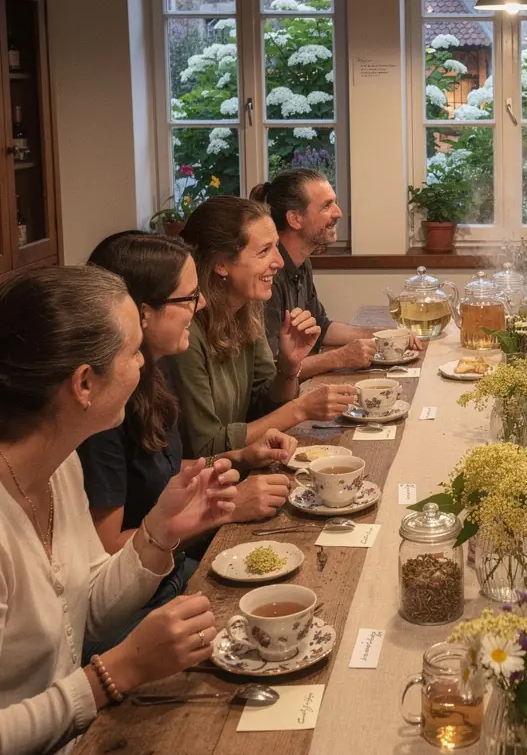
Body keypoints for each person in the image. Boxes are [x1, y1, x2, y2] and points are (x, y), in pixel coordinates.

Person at [0, 266, 238, 755]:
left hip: (74, 750)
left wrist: (159, 531)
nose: (144, 364)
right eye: (133, 352)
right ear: (84, 384)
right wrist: (115, 674)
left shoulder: (59, 467)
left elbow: (85, 611)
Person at [80, 232, 299, 597]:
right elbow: (106, 552)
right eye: (188, 297)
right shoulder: (102, 411)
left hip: (176, 569)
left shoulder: (153, 374)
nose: (200, 306)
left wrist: (240, 456)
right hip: (142, 596)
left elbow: (159, 471)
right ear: (142, 314)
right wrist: (226, 510)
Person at [169, 196, 357, 458]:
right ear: (221, 264)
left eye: (276, 247)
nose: (278, 262)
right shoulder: (185, 334)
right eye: (264, 251)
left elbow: (265, 406)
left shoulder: (245, 309)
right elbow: (206, 447)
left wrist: (289, 367)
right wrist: (301, 409)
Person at [249, 169, 419, 379]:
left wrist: (383, 335)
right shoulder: (268, 275)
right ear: (295, 219)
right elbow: (274, 369)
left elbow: (322, 327)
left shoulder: (302, 263)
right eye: (327, 206)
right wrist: (338, 358)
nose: (338, 212)